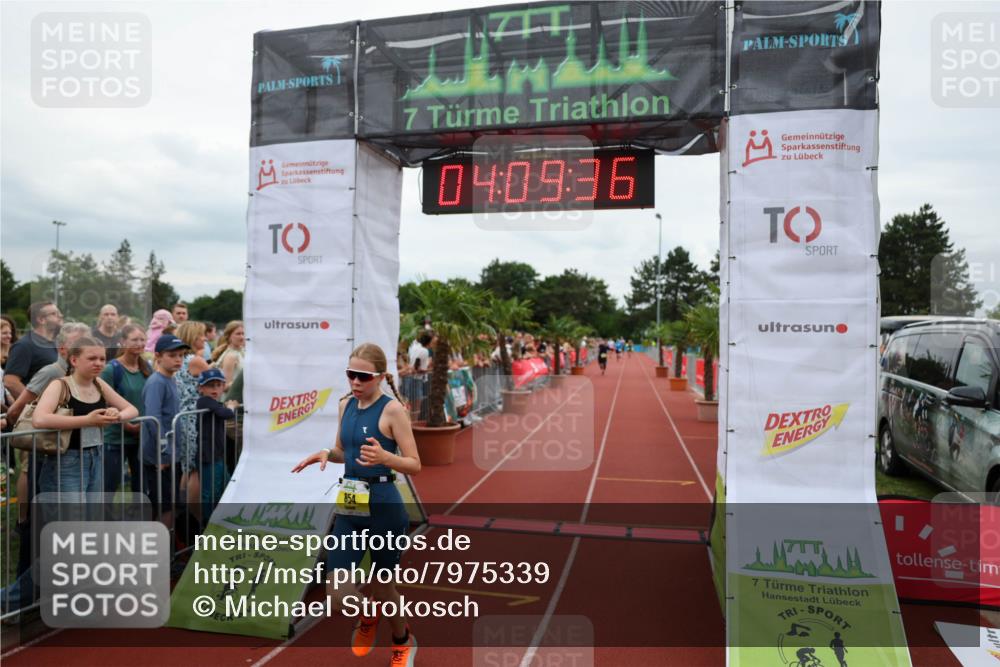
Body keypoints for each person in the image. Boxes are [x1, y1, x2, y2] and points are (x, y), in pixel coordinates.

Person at [292, 343, 420, 666]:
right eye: (351, 374)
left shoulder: (392, 411)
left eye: (363, 376)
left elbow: (414, 463)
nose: (355, 382)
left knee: (384, 586)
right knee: (337, 595)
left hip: (384, 507)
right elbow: (341, 451)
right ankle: (368, 616)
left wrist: (386, 457)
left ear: (378, 377)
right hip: (350, 506)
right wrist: (326, 454)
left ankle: (402, 640)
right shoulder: (344, 405)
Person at [33, 336, 138, 494]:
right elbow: (39, 419)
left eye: (102, 359)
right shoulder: (59, 385)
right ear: (74, 360)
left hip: (95, 456)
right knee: (71, 517)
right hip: (65, 460)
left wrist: (115, 415)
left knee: (91, 516)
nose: (99, 363)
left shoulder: (98, 383)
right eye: (92, 358)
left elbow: (132, 410)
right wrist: (87, 420)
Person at [141, 333, 189, 527]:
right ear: (158, 356)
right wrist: (164, 452)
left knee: (172, 504)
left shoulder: (171, 379)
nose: (178, 359)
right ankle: (159, 552)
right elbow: (154, 419)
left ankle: (168, 549)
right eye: (172, 355)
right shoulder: (156, 382)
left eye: (181, 355)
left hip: (171, 454)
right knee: (165, 507)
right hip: (160, 457)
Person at [101, 324, 151, 494]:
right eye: (134, 339)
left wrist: (143, 426)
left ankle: (137, 518)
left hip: (141, 436)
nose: (139, 343)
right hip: (115, 438)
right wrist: (126, 424)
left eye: (142, 339)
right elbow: (105, 400)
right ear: (122, 342)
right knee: (109, 486)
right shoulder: (111, 369)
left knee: (141, 486)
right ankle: (104, 519)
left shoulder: (147, 368)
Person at [175, 321, 211, 521]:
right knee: (194, 472)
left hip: (184, 419)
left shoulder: (182, 360)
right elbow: (217, 381)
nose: (205, 339)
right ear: (193, 337)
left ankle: (183, 516)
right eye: (201, 335)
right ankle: (196, 519)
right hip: (194, 421)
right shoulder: (195, 360)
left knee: (186, 470)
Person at [194, 368, 237, 523]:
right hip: (207, 455)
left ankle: (220, 519)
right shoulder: (204, 401)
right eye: (210, 385)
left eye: (218, 385)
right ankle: (207, 523)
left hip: (216, 454)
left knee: (223, 486)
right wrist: (231, 406)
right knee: (209, 493)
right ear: (201, 388)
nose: (214, 389)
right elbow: (227, 414)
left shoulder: (214, 403)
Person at [4, 301, 62, 399]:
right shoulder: (24, 345)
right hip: (39, 412)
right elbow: (10, 381)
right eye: (54, 314)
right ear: (41, 320)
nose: (60, 316)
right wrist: (36, 403)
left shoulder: (55, 343)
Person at [211, 320, 245, 388]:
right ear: (229, 336)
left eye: (243, 334)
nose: (242, 337)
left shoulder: (243, 351)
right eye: (238, 334)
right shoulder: (230, 356)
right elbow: (225, 386)